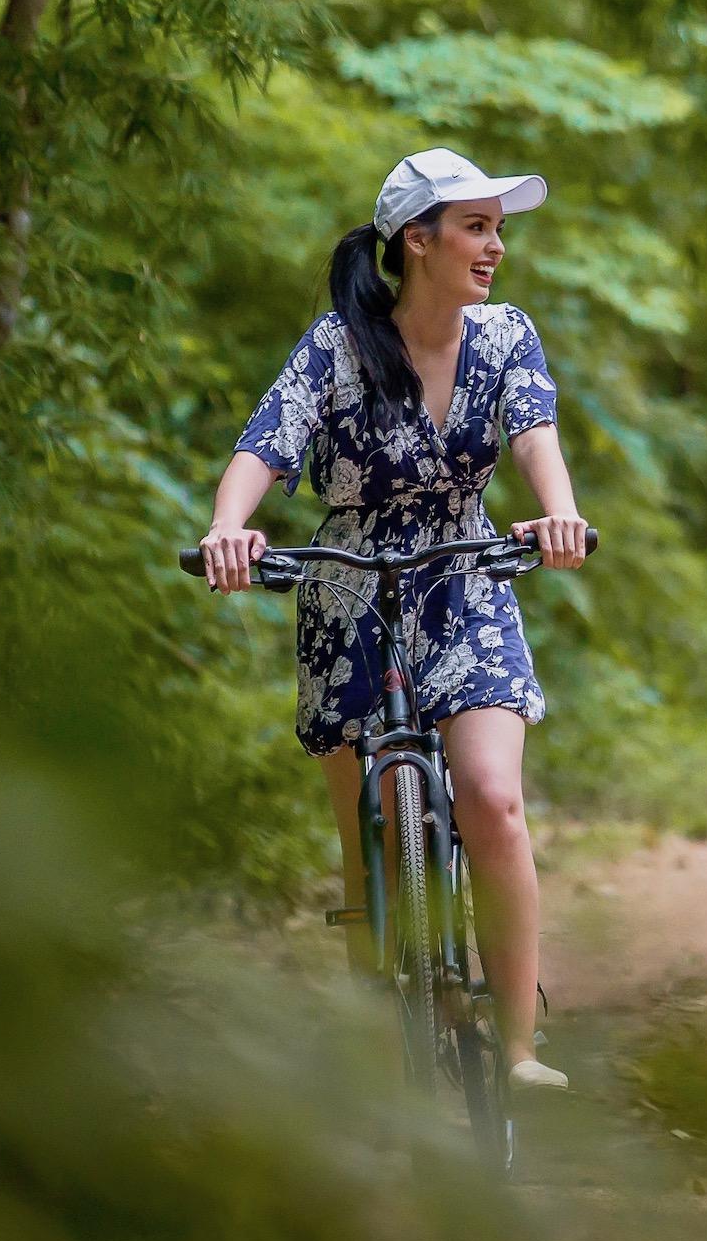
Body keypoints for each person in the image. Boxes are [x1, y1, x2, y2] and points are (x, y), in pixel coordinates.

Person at [194, 147, 593, 1093]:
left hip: (465, 574)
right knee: (370, 838)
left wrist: (561, 510)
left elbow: (535, 430)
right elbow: (266, 443)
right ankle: (390, 1069)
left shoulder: (505, 336)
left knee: (491, 794)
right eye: (476, 227)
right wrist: (227, 529)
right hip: (347, 588)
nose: (495, 246)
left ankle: (522, 1042)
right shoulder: (337, 345)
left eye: (498, 227)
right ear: (418, 241)